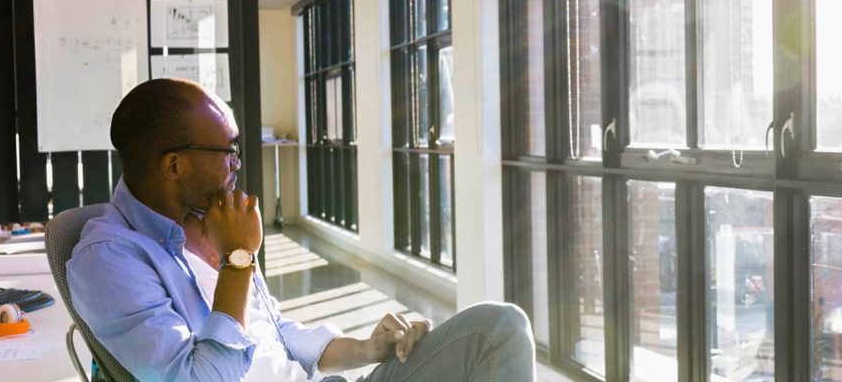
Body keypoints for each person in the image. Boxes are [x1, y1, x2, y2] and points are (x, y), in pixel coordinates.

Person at [67, 78, 535, 381]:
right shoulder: (109, 258)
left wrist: (367, 348)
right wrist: (237, 261)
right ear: (174, 164)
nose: (236, 164)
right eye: (227, 151)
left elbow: (278, 334)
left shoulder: (210, 224)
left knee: (499, 327)